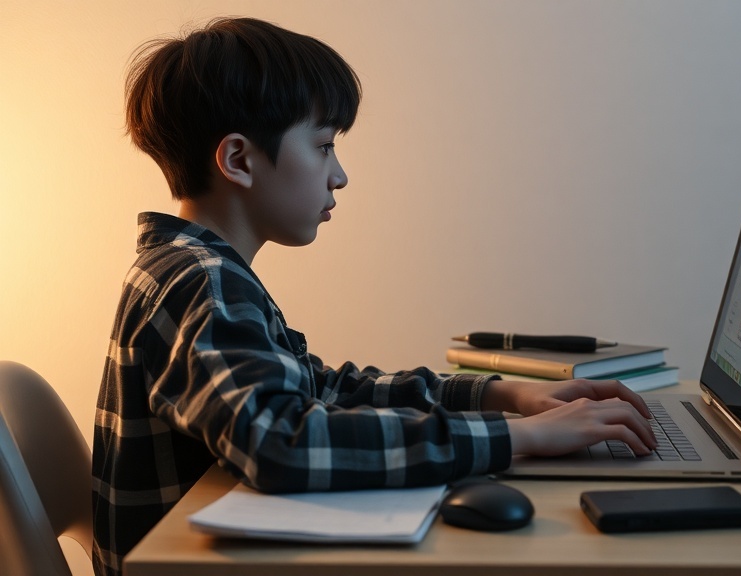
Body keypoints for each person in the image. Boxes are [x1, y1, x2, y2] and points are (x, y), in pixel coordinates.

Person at [92, 17, 656, 576]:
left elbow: (322, 389)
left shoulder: (189, 267)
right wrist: (521, 436)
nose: (340, 176)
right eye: (323, 145)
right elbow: (281, 440)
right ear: (239, 160)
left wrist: (501, 396)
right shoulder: (203, 282)